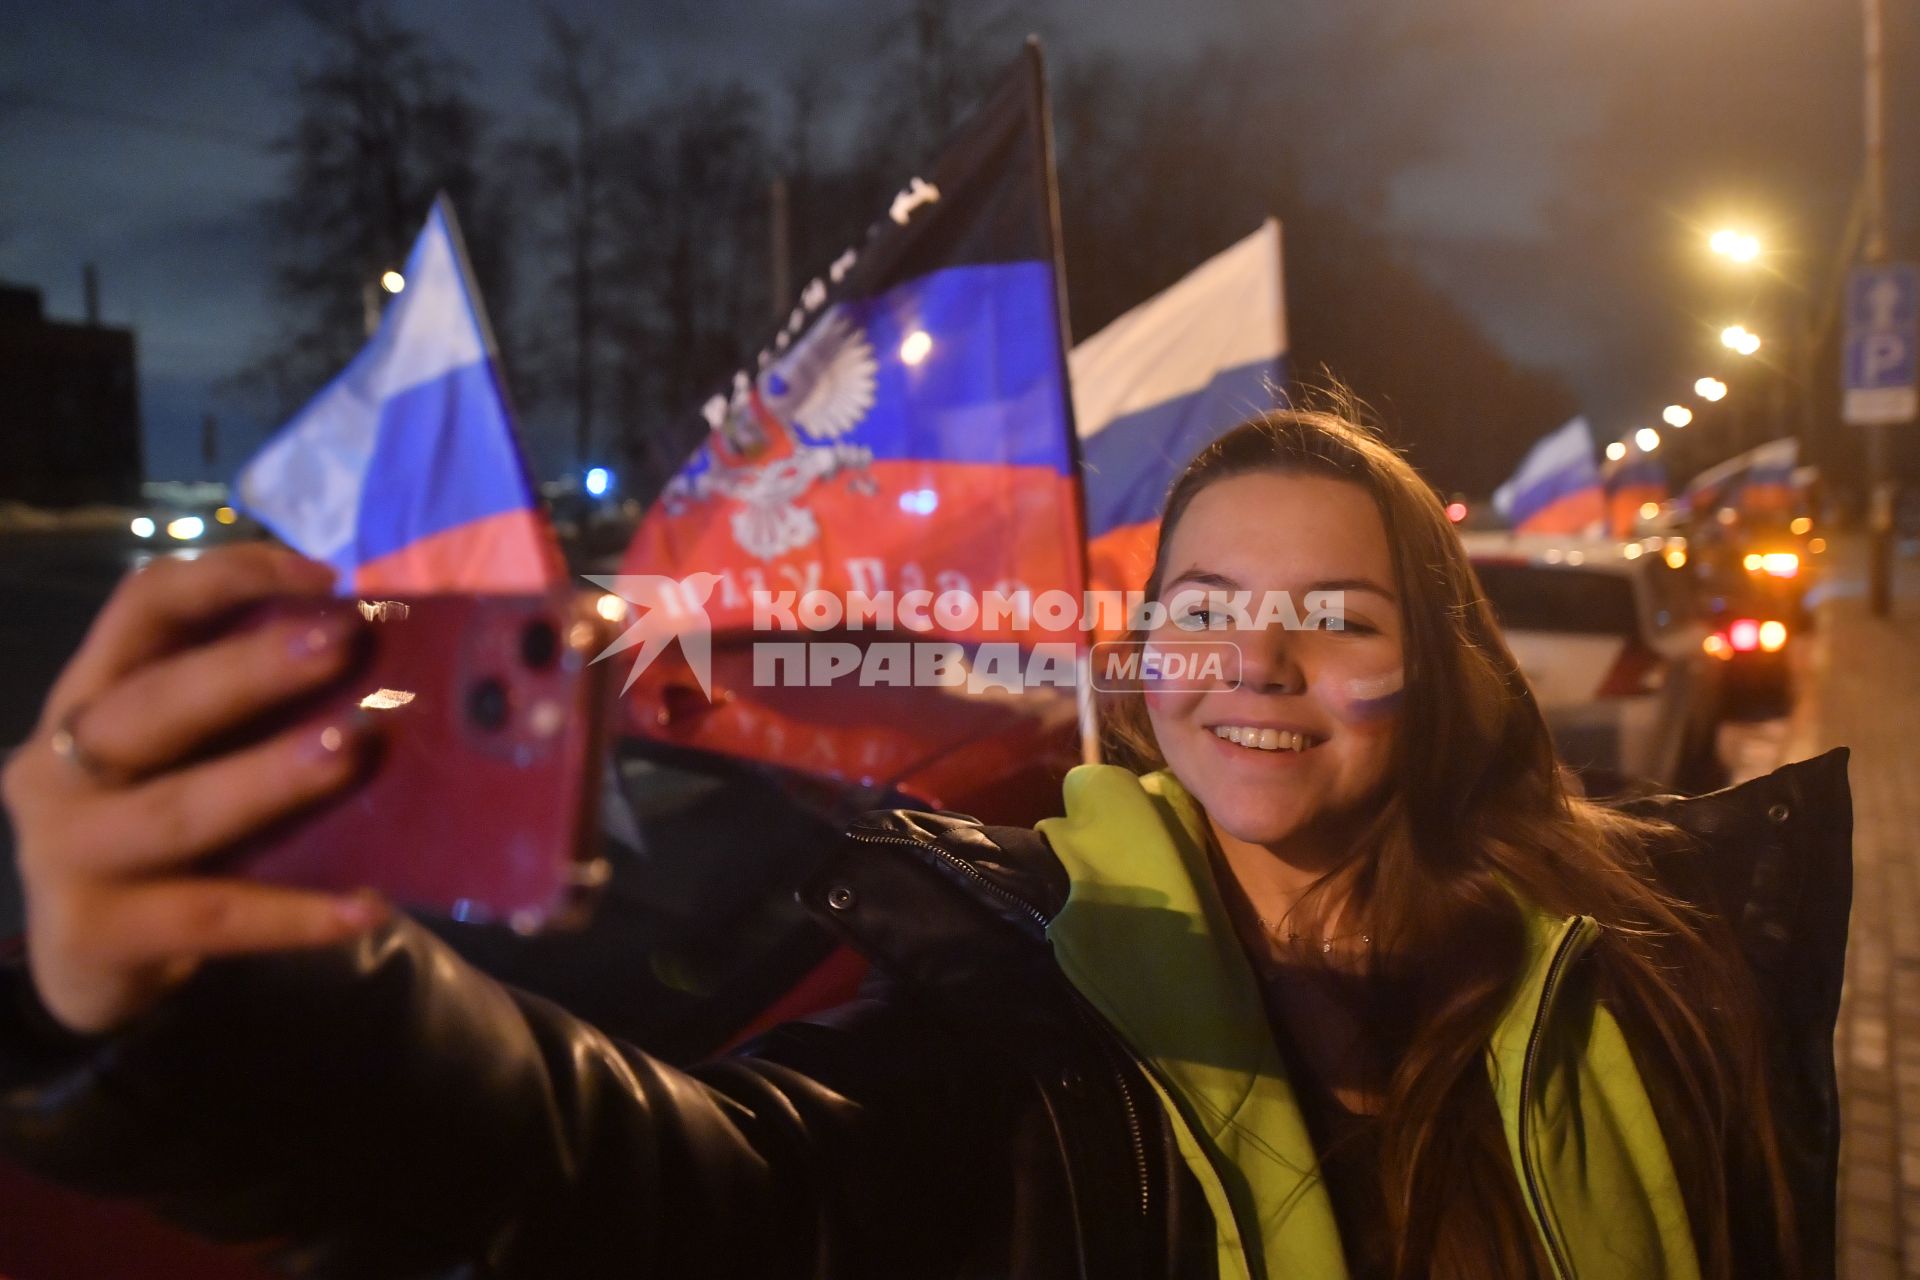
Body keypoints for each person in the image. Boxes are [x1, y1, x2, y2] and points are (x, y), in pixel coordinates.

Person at [0, 410, 1849, 1280]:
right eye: (1201, 606)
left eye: (1342, 618)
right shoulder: (1015, 1010)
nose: (1254, 665)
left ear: (1440, 668)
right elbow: (655, 1178)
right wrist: (231, 1009)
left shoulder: (1665, 958)